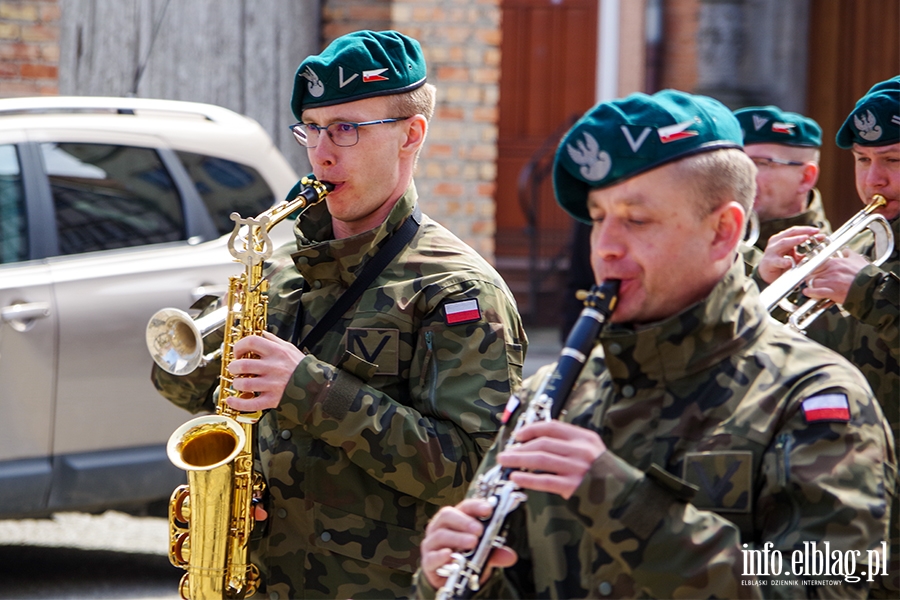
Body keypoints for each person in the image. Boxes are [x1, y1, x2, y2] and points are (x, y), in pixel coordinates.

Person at [415, 90, 894, 599]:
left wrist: (627, 504)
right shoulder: (555, 395)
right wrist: (449, 580)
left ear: (722, 232)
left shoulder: (814, 400)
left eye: (637, 220)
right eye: (599, 217)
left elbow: (823, 589)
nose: (606, 247)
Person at [152, 30, 528, 599]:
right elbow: (194, 398)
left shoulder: (456, 290)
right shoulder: (281, 262)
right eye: (313, 129)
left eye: (347, 129)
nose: (322, 153)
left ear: (411, 134)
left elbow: (471, 471)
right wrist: (199, 360)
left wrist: (308, 388)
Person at [758, 75, 899, 597]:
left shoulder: (865, 273)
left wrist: (866, 291)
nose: (875, 181)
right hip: (841, 502)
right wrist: (760, 285)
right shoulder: (862, 245)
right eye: (863, 161)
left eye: (893, 160)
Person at [734, 105, 831, 252]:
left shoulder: (830, 258)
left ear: (806, 178)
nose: (742, 175)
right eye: (737, 162)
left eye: (760, 163)